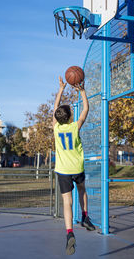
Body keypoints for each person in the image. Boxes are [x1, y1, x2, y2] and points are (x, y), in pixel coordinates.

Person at [53, 76, 95, 256]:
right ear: (70, 117)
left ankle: (70, 233)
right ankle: (85, 216)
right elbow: (86, 109)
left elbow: (55, 109)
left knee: (66, 202)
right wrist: (83, 91)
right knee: (82, 191)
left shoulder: (56, 128)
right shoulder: (75, 127)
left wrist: (61, 89)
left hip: (62, 170)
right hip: (77, 168)